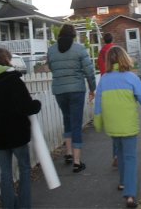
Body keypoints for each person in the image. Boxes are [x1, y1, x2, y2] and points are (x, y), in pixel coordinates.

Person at [93, 46, 141, 208]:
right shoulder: (131, 78)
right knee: (130, 157)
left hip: (112, 125)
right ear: (125, 59)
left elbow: (98, 104)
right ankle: (130, 194)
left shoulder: (104, 79)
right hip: (129, 125)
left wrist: (98, 123)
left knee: (120, 153)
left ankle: (123, 182)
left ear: (108, 61)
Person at [0, 48, 41, 209]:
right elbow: (27, 106)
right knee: (24, 169)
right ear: (6, 60)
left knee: (5, 173)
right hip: (18, 131)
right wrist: (37, 105)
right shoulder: (14, 79)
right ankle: (24, 205)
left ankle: (8, 206)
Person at [47, 23, 96, 173]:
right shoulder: (79, 49)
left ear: (60, 34)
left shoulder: (51, 50)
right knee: (76, 123)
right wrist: (92, 88)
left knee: (67, 119)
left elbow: (51, 67)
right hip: (76, 89)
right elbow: (89, 71)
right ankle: (76, 161)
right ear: (73, 35)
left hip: (60, 90)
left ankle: (68, 153)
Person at [97, 32, 118, 167]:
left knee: (115, 126)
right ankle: (119, 155)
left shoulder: (101, 52)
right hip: (119, 79)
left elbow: (100, 66)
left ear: (103, 40)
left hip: (107, 81)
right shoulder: (116, 49)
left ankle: (115, 154)